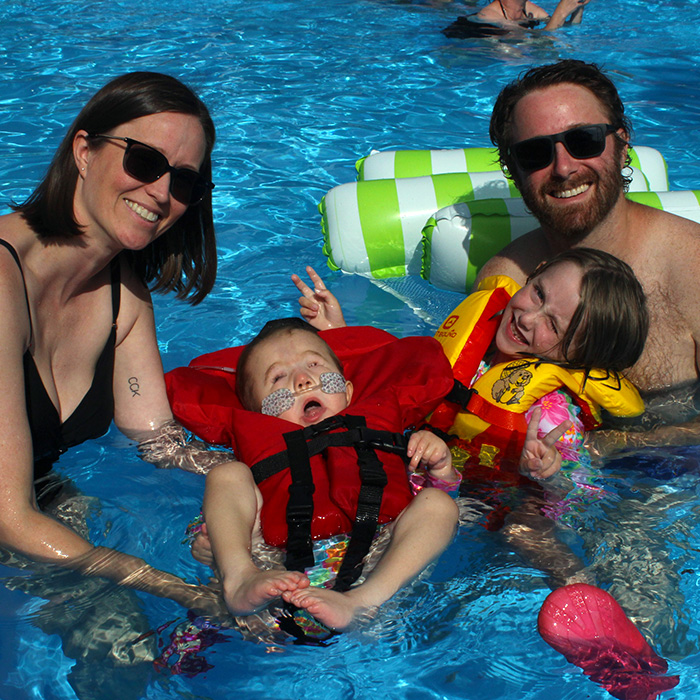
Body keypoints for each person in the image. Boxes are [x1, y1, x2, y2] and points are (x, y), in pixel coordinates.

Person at [0, 71, 234, 615]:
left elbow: (159, 441)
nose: (160, 192)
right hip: (16, 515)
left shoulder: (123, 298)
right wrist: (183, 592)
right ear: (84, 151)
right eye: (145, 161)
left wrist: (261, 479)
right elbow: (9, 516)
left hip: (41, 500)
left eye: (183, 181)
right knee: (127, 632)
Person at [183, 318, 461, 632]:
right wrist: (210, 545)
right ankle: (239, 576)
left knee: (437, 504)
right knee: (227, 474)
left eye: (314, 364)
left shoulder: (389, 444)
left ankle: (363, 601)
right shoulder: (254, 464)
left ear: (348, 390)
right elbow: (218, 514)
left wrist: (441, 468)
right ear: (258, 413)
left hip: (378, 556)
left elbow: (454, 509)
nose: (302, 379)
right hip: (275, 572)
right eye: (277, 377)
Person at [480, 59, 700, 450]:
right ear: (512, 169)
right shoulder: (505, 281)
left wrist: (611, 447)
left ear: (622, 141)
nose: (564, 168)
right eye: (535, 153)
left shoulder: (693, 265)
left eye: (584, 141)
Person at [294, 249, 648, 482]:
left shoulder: (552, 416)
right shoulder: (474, 344)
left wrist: (549, 472)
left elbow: (577, 490)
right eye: (538, 293)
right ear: (535, 272)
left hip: (476, 503)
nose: (529, 317)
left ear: (579, 359)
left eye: (553, 326)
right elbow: (394, 375)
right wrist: (337, 333)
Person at [442, 0, 590, 39]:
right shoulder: (489, 16)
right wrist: (561, 10)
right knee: (513, 56)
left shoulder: (529, 8)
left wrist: (578, 6)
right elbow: (543, 39)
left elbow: (568, 27)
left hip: (510, 38)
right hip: (468, 42)